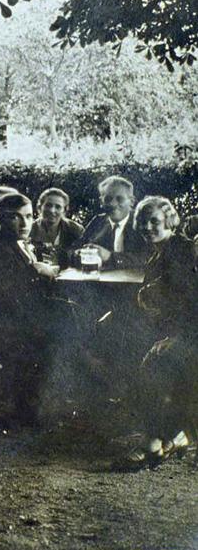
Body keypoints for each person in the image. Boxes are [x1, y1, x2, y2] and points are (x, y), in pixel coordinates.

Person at [117, 196, 198, 469]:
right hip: (173, 329)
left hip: (190, 331)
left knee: (153, 363)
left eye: (154, 221)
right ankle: (175, 437)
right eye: (142, 221)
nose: (147, 227)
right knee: (118, 345)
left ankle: (154, 441)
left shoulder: (182, 250)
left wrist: (175, 338)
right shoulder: (159, 251)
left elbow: (192, 301)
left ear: (169, 221)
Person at [0, 192, 61, 424]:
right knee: (59, 335)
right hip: (3, 323)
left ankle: (40, 401)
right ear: (1, 219)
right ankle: (25, 405)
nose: (24, 223)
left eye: (29, 216)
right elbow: (4, 295)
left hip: (21, 317)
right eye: (15, 217)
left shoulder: (19, 246)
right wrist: (36, 270)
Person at [78, 175, 148, 269]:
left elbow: (147, 258)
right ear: (101, 202)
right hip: (101, 277)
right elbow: (76, 247)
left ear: (132, 201)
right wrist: (79, 253)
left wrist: (110, 257)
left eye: (120, 199)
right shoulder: (98, 222)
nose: (113, 204)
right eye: (108, 199)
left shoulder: (142, 223)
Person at [30, 187, 84, 266]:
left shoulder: (75, 230)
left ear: (64, 211)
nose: (52, 210)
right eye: (48, 205)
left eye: (58, 207)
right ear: (39, 208)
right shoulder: (29, 230)